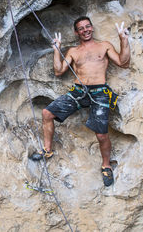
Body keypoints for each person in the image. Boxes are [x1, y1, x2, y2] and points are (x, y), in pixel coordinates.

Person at [31, 16, 130, 187]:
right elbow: (59, 71)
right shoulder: (73, 51)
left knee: (101, 134)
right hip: (79, 91)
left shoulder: (104, 46)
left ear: (92, 28)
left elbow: (123, 62)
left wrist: (124, 39)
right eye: (81, 28)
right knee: (47, 113)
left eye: (87, 27)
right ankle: (47, 150)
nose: (85, 30)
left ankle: (106, 165)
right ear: (76, 32)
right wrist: (57, 50)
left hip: (99, 92)